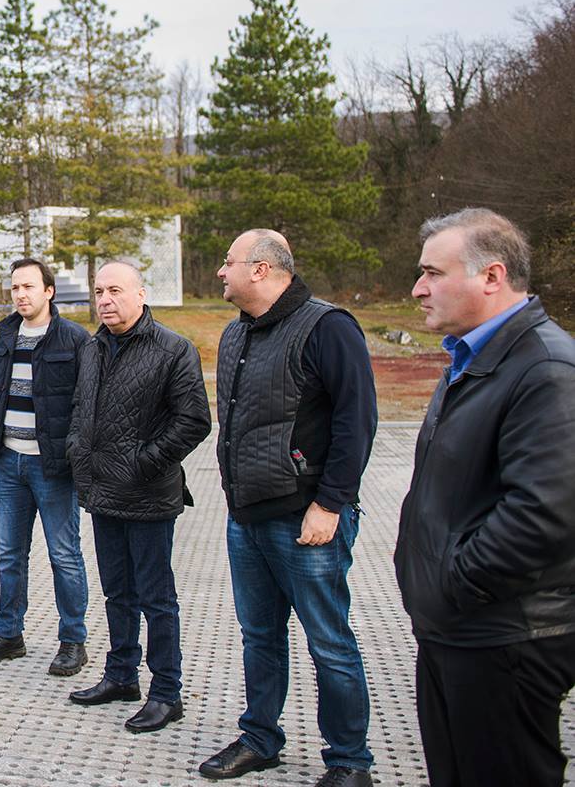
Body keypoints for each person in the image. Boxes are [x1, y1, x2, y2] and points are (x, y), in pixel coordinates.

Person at [395, 209, 575, 787]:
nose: (418, 288)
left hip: (503, 637)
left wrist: (455, 583)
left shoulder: (546, 368)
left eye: (433, 273)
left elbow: (545, 513)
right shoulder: (473, 359)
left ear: (492, 276)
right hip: (456, 630)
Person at [198, 230, 377, 787]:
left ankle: (349, 761)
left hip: (305, 519)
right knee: (259, 636)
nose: (220, 272)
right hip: (247, 516)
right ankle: (260, 738)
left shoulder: (328, 327)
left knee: (329, 641)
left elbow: (357, 421)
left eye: (228, 262)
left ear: (261, 269)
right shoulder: (236, 332)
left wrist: (330, 503)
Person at [65, 261, 211, 733]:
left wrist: (143, 462)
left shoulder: (173, 349)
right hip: (102, 492)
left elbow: (194, 421)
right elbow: (80, 408)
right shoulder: (92, 348)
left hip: (148, 497)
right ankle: (121, 675)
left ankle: (166, 693)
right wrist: (77, 450)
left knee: (156, 599)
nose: (105, 300)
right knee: (117, 593)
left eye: (116, 290)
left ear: (141, 294)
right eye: (99, 291)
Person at [0, 258, 91, 675]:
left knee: (64, 555)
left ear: (49, 291)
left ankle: (73, 640)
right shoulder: (7, 336)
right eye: (15, 288)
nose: (21, 295)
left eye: (29, 287)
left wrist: (74, 455)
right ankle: (9, 634)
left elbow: (85, 404)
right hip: (8, 464)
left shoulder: (74, 339)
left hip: (52, 468)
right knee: (10, 555)